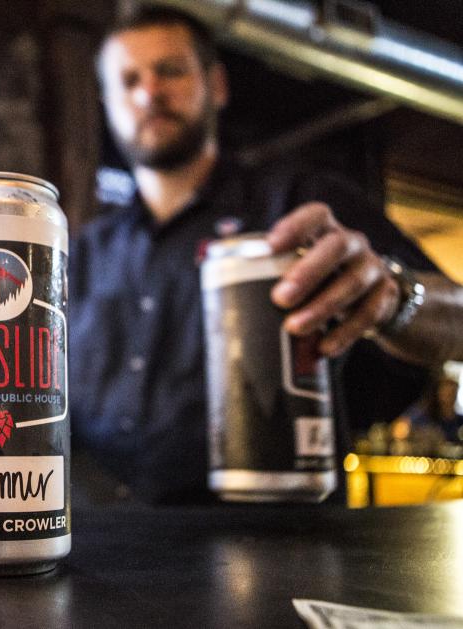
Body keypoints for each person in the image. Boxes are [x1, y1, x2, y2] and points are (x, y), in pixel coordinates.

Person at [69, 6, 463, 504]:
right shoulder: (84, 251)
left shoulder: (302, 203)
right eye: (128, 81)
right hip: (106, 559)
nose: (149, 93)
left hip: (277, 551)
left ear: (216, 85)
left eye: (170, 70)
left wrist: (395, 297)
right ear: (108, 104)